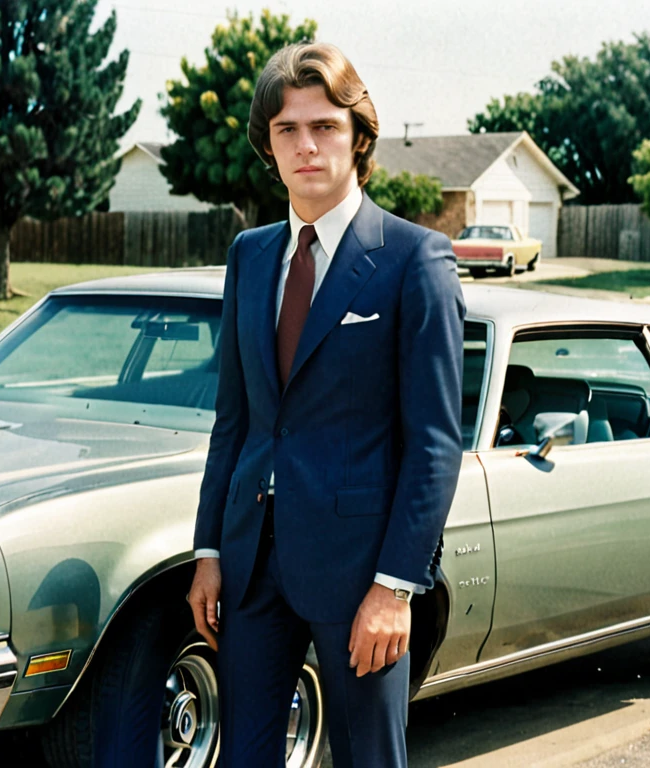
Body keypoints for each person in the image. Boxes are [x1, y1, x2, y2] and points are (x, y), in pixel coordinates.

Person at [186, 42, 467, 767]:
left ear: (358, 137)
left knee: (368, 758)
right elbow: (236, 419)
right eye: (286, 130)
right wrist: (210, 550)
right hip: (250, 567)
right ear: (269, 146)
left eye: (324, 127)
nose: (306, 145)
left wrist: (395, 589)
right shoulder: (249, 256)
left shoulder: (415, 259)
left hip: (360, 573)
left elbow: (435, 442)